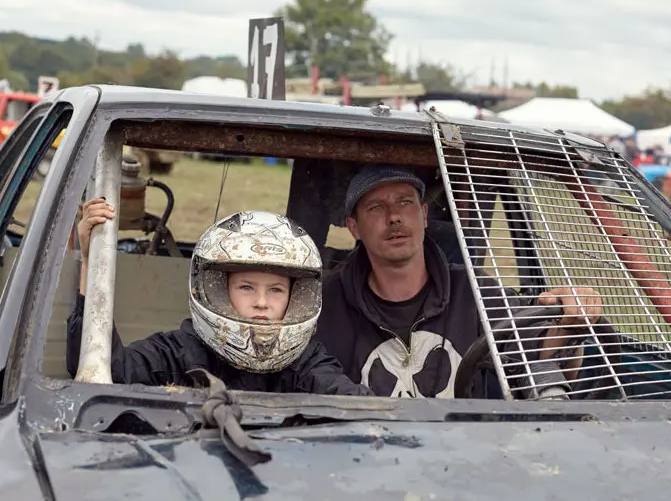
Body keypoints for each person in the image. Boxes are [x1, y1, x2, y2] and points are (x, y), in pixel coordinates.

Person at [314, 166, 603, 399]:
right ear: (354, 228)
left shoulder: (477, 292)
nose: (394, 217)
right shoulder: (323, 306)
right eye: (376, 207)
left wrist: (569, 320)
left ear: (424, 215)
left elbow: (543, 359)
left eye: (405, 202)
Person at [67, 198, 371, 395]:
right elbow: (107, 370)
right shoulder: (179, 352)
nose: (261, 302)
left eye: (276, 290)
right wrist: (91, 261)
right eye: (246, 287)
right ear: (218, 290)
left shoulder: (307, 363)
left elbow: (352, 402)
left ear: (296, 296)